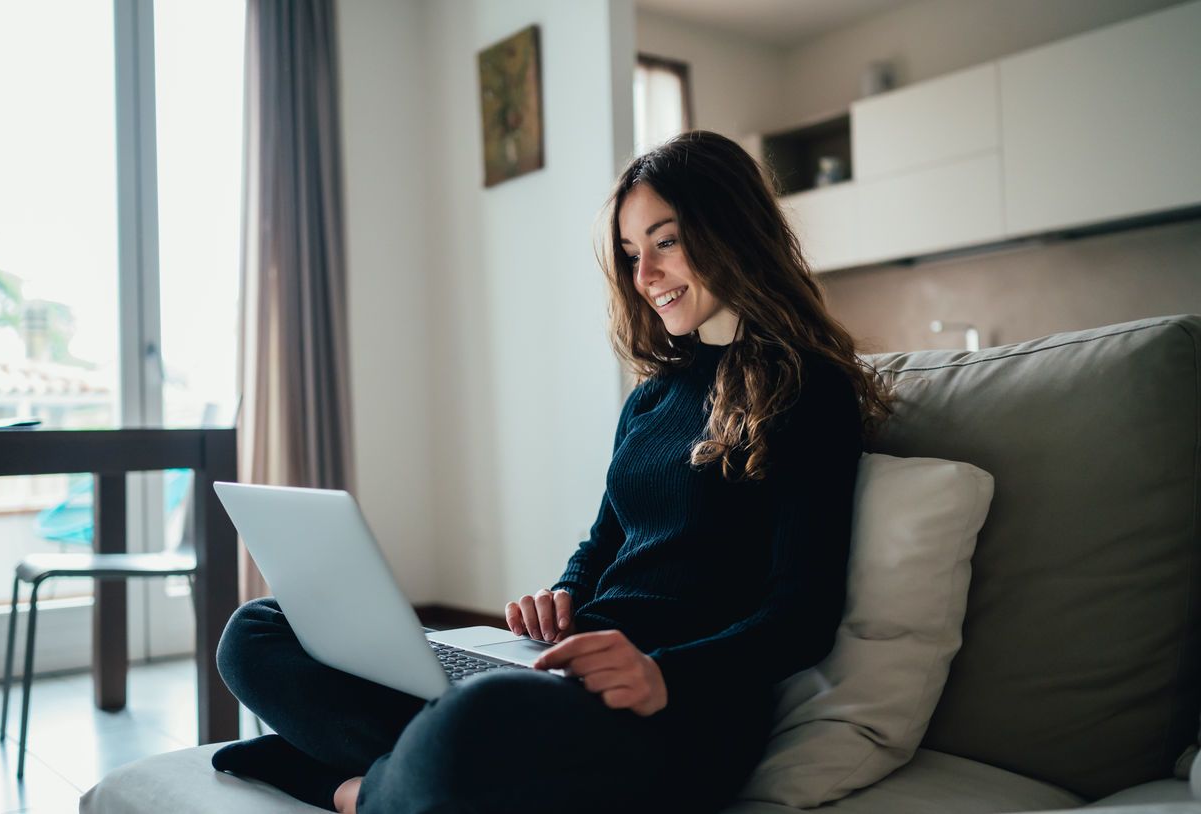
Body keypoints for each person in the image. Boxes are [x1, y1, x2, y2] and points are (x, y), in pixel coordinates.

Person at [210, 129, 892, 814]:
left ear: (732, 229)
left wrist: (663, 674)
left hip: (678, 712)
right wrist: (562, 596)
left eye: (666, 241)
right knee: (257, 630)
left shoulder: (807, 388)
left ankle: (359, 785)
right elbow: (603, 544)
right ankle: (416, 770)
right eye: (630, 254)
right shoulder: (653, 396)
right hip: (570, 670)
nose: (644, 276)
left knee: (477, 717)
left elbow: (802, 613)